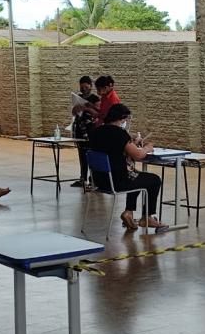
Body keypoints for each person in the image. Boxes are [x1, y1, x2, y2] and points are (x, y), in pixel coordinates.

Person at [88, 104, 167, 232]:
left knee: (137, 176)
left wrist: (131, 144)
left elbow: (112, 149)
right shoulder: (119, 133)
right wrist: (148, 147)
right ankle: (147, 217)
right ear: (122, 118)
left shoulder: (96, 132)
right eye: (126, 120)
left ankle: (129, 212)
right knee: (154, 180)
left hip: (100, 180)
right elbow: (138, 155)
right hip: (117, 180)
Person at [71, 76, 100, 188]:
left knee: (91, 154)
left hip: (91, 130)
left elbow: (98, 113)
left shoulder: (95, 98)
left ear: (90, 86)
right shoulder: (78, 97)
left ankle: (93, 179)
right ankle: (82, 178)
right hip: (80, 129)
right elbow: (74, 112)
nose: (83, 89)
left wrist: (87, 108)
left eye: (86, 87)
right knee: (82, 155)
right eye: (81, 87)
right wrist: (76, 108)